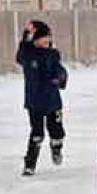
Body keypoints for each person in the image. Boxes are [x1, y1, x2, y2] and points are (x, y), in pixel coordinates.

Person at [16, 20, 68, 175]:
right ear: (35, 39)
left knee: (57, 132)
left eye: (48, 37)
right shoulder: (27, 55)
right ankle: (29, 165)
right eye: (43, 37)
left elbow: (60, 70)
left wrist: (60, 78)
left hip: (53, 101)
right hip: (35, 102)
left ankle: (56, 148)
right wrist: (26, 34)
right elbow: (20, 53)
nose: (47, 40)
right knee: (37, 134)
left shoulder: (53, 54)